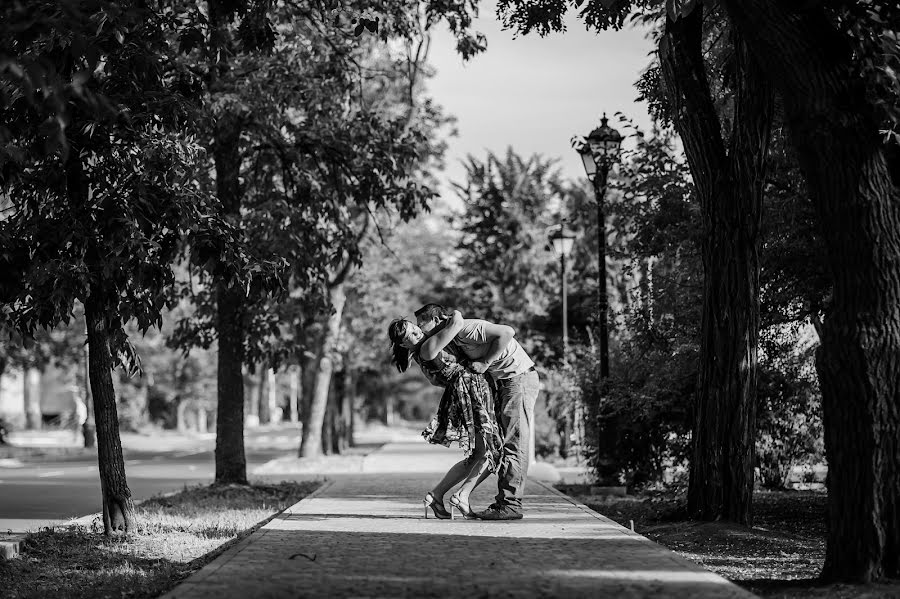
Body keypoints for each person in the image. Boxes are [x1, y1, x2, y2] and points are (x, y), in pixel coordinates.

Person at [416, 303, 539, 521]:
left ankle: (510, 505)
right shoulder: (451, 335)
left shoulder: (466, 329)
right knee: (500, 444)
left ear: (436, 321)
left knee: (514, 443)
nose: (422, 332)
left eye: (422, 326)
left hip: (518, 378)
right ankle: (497, 502)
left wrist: (485, 362)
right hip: (503, 383)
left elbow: (507, 332)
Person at [388, 311, 504, 520]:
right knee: (492, 452)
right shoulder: (427, 348)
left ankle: (437, 495)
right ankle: (461, 496)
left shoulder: (421, 352)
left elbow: (438, 380)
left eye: (415, 328)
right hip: (472, 390)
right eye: (411, 336)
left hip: (466, 391)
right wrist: (449, 313)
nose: (418, 332)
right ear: (405, 345)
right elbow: (457, 323)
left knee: (478, 454)